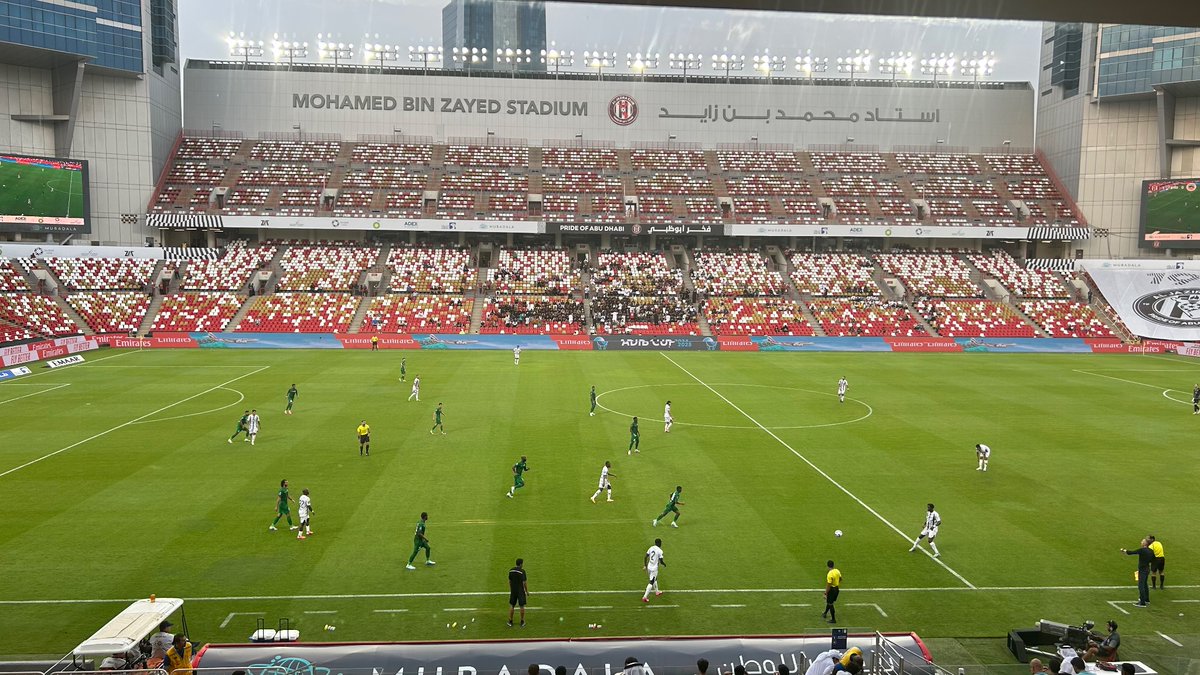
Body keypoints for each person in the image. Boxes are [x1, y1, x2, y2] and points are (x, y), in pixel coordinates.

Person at [1122, 538, 1154, 606]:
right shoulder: (1151, 551)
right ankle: (1146, 600)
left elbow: (1131, 552)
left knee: (1141, 586)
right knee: (1145, 584)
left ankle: (1142, 603)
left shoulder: (1142, 550)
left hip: (1142, 570)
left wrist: (1124, 550)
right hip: (1147, 569)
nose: (1141, 542)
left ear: (1145, 543)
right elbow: (1152, 560)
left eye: (1142, 541)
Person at [641, 537, 665, 603]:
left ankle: (657, 591)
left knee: (654, 579)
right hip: (654, 569)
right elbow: (661, 560)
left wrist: (645, 566)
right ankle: (645, 597)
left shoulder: (651, 548)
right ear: (659, 543)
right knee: (651, 581)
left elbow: (646, 556)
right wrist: (664, 564)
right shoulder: (660, 551)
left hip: (649, 567)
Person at [507, 557, 528, 627]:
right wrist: (527, 591)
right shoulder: (522, 571)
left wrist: (511, 589)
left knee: (512, 605)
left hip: (513, 590)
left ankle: (510, 621)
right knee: (521, 606)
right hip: (520, 591)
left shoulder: (511, 570)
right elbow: (524, 583)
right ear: (521, 564)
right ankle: (522, 621)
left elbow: (509, 581)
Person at [823, 559, 841, 624]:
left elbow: (828, 585)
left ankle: (833, 619)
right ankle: (825, 613)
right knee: (830, 602)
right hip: (837, 589)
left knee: (830, 604)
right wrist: (836, 583)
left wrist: (826, 593)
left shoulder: (829, 574)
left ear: (828, 566)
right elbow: (841, 579)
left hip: (832, 590)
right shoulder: (837, 571)